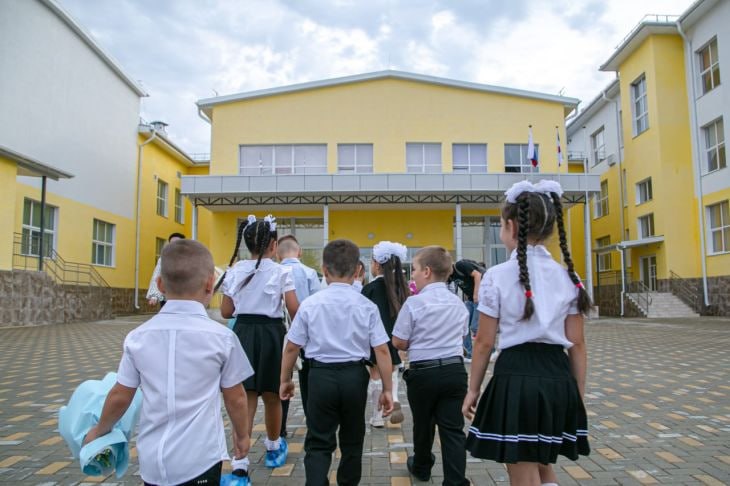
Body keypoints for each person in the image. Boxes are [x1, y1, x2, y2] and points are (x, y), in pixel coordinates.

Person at [84, 239, 253, 486]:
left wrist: (100, 430)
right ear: (210, 284)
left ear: (160, 284)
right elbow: (236, 397)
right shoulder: (223, 338)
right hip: (201, 458)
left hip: (153, 461)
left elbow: (120, 394)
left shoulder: (137, 337)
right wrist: (242, 435)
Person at [462, 180, 592, 486]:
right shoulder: (568, 276)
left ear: (511, 226)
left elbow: (483, 343)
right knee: (542, 464)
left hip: (516, 375)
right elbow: (577, 343)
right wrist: (577, 394)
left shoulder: (497, 276)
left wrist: (473, 389)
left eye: (501, 225)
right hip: (558, 376)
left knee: (521, 467)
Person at [280, 239, 394, 486]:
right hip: (354, 376)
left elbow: (291, 346)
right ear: (358, 270)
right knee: (353, 439)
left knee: (318, 441)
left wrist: (285, 379)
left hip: (320, 377)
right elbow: (382, 351)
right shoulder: (366, 305)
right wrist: (387, 389)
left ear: (324, 269)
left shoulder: (310, 304)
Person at [220, 215, 299, 472]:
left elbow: (226, 311)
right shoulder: (281, 271)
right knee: (273, 395)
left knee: (245, 396)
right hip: (272, 335)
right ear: (274, 246)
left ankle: (240, 460)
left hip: (242, 334)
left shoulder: (234, 270)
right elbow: (294, 309)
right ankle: (274, 448)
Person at [392, 246, 470, 486]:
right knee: (453, 429)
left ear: (426, 271)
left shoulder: (414, 303)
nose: (412, 275)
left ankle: (422, 466)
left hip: (423, 373)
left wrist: (415, 342)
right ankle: (455, 480)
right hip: (454, 370)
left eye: (414, 269)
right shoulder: (458, 303)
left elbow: (398, 341)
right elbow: (463, 334)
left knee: (423, 424)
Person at [276, 234, 321, 438]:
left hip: (279, 331)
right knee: (307, 378)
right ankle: (312, 422)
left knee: (281, 378)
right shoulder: (309, 273)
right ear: (300, 252)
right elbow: (316, 304)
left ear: (277, 254)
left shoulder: (274, 272)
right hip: (307, 333)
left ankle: (279, 427)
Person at [362, 241, 409, 428]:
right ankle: (394, 398)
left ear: (377, 264)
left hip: (375, 339)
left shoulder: (370, 288)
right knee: (393, 370)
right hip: (395, 337)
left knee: (375, 374)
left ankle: (378, 416)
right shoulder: (402, 287)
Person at [450, 259, 485, 363]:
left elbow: (478, 275)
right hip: (470, 299)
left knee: (475, 326)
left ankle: (491, 351)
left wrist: (476, 294)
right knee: (463, 325)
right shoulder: (448, 276)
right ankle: (469, 355)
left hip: (481, 297)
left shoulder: (460, 265)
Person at [146, 232, 185, 308]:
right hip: (167, 298)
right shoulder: (163, 259)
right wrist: (154, 296)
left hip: (185, 299)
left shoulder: (190, 259)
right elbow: (157, 276)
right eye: (172, 243)